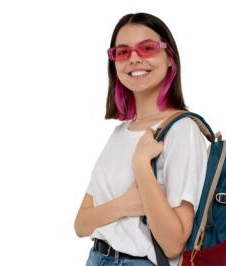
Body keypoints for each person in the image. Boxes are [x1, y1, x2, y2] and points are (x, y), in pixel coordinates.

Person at [74, 12, 208, 266]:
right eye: (122, 52)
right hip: (96, 258)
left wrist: (141, 166)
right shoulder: (119, 133)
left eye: (147, 48)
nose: (134, 58)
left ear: (170, 58)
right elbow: (81, 224)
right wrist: (126, 204)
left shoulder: (182, 130)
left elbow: (173, 243)